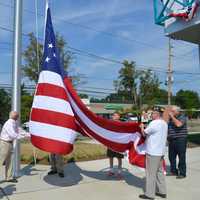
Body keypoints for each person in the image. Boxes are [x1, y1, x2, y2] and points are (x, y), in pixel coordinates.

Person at [139, 107, 168, 200]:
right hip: (160, 151)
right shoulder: (164, 123)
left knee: (151, 174)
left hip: (153, 152)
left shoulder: (154, 123)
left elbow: (144, 134)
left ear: (157, 114)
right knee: (159, 172)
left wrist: (142, 127)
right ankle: (162, 191)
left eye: (153, 113)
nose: (151, 115)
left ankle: (150, 194)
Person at [167, 106, 188, 179]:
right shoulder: (170, 119)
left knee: (181, 157)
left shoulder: (183, 117)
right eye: (171, 111)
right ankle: (173, 171)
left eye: (173, 111)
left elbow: (179, 125)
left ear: (177, 111)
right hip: (171, 140)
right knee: (171, 157)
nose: (171, 112)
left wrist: (172, 117)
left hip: (180, 140)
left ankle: (182, 173)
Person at [0, 111, 20, 183]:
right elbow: (13, 134)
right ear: (11, 115)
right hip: (5, 143)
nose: (17, 115)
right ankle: (8, 177)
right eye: (15, 115)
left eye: (17, 115)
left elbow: (18, 130)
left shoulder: (14, 123)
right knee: (1, 161)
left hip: (10, 143)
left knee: (10, 161)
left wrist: (27, 134)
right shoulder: (9, 123)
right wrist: (22, 137)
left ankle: (8, 177)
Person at [107, 112, 124, 179]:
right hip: (111, 143)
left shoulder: (122, 124)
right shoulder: (110, 123)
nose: (113, 116)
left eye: (115, 115)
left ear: (119, 116)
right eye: (113, 115)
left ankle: (119, 172)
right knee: (110, 157)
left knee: (119, 158)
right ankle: (111, 170)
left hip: (119, 144)